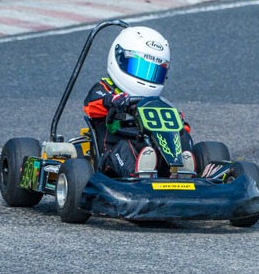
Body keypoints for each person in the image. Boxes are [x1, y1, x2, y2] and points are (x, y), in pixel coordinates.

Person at [82, 25, 192, 177]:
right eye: (139, 68)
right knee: (125, 147)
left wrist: (177, 126)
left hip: (152, 152)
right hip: (112, 157)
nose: (146, 78)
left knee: (183, 138)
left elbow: (182, 129)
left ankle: (182, 171)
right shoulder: (105, 89)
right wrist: (113, 101)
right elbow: (91, 106)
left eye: (154, 72)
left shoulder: (153, 103)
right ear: (119, 59)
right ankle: (138, 174)